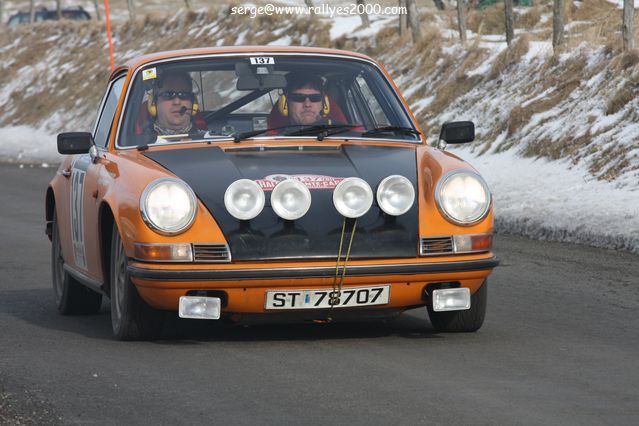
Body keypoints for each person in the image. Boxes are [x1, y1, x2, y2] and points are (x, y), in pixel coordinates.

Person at [141, 70, 203, 143]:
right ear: (153, 103)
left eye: (183, 95)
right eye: (168, 95)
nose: (177, 102)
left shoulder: (209, 140)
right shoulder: (137, 144)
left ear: (193, 103)